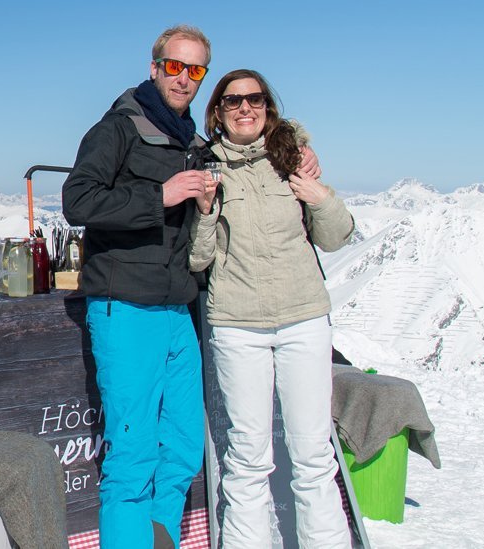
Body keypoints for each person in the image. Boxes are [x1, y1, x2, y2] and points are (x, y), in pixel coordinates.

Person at [61, 25, 215, 548]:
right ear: (155, 68)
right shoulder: (119, 128)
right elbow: (77, 201)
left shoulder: (191, 140)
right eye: (175, 66)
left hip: (177, 309)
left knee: (182, 448)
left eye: (195, 70)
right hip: (125, 307)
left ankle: (159, 540)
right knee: (132, 458)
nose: (184, 79)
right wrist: (161, 196)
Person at [190, 69, 354, 548]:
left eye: (255, 99)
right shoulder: (206, 167)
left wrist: (320, 197)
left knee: (313, 457)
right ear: (217, 113)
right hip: (239, 325)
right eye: (233, 101)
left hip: (304, 317)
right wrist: (204, 211)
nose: (246, 108)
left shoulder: (292, 159)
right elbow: (198, 259)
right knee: (247, 460)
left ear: (268, 107)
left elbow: (335, 236)